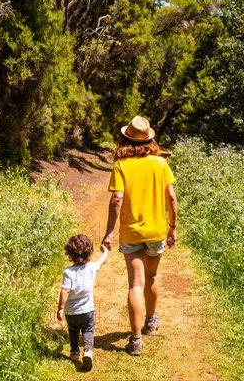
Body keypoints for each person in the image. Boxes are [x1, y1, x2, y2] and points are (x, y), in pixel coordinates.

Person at [100, 115, 178, 356]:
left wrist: (109, 233)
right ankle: (151, 321)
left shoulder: (121, 165)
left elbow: (117, 199)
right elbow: (172, 199)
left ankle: (135, 341)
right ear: (149, 139)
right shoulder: (160, 163)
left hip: (131, 232)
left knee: (135, 283)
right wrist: (172, 227)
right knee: (151, 278)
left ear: (126, 138)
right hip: (156, 230)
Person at [57, 234, 109, 370]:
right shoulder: (91, 268)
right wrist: (105, 252)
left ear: (70, 253)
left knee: (73, 330)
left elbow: (65, 291)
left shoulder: (68, 272)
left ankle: (74, 352)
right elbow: (101, 261)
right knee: (88, 330)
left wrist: (61, 308)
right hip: (87, 310)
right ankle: (88, 351)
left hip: (71, 312)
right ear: (89, 252)